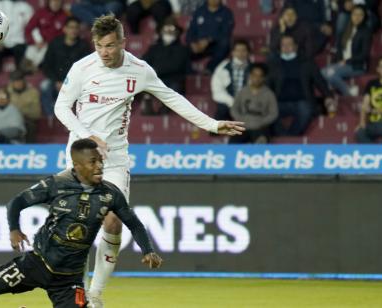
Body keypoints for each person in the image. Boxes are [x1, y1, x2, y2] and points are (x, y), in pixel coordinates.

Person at [54, 14, 244, 307]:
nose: (104, 52)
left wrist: (211, 124)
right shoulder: (82, 68)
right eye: (99, 46)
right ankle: (77, 294)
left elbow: (172, 97)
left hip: (114, 159)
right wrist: (86, 135)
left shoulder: (139, 70)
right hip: (79, 156)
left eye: (110, 46)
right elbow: (61, 108)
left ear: (122, 43)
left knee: (113, 220)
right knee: (77, 227)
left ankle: (95, 294)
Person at [0, 138, 163, 308]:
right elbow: (17, 202)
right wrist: (14, 229)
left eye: (100, 161)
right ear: (77, 165)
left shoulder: (110, 194)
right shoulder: (56, 185)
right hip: (36, 264)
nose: (100, 166)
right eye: (93, 162)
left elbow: (134, 223)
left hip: (69, 279)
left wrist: (148, 249)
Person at [267, 35, 334, 136]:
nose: (286, 47)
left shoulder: (307, 63)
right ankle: (285, 136)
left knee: (306, 110)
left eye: (289, 44)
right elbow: (267, 85)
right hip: (279, 102)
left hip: (302, 102)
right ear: (280, 47)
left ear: (295, 47)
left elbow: (320, 81)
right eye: (283, 45)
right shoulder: (273, 64)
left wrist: (328, 96)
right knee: (266, 111)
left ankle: (290, 137)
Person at [40, 16, 91, 116]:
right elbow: (46, 65)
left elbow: (87, 69)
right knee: (44, 86)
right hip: (56, 80)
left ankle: (78, 117)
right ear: (65, 29)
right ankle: (51, 118)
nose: (73, 30)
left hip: (76, 82)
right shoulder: (55, 43)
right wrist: (56, 81)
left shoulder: (83, 45)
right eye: (71, 27)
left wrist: (70, 83)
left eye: (76, 27)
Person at [141, 17, 190, 115]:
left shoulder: (182, 49)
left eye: (171, 29)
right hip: (154, 80)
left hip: (173, 80)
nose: (168, 32)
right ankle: (147, 106)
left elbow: (177, 67)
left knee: (173, 88)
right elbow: (143, 62)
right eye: (165, 29)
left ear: (177, 32)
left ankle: (164, 109)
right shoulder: (154, 48)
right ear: (161, 31)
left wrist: (156, 70)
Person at [321, 5, 371, 97]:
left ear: (364, 17)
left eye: (360, 15)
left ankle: (348, 92)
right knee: (322, 72)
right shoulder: (346, 29)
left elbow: (364, 54)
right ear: (351, 15)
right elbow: (339, 50)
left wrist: (346, 61)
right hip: (343, 63)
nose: (357, 17)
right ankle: (343, 90)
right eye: (355, 14)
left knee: (330, 75)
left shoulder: (366, 32)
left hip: (357, 65)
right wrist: (338, 62)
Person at [230, 64, 278, 144]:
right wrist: (241, 119)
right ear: (250, 76)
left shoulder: (269, 94)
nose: (257, 78)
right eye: (254, 75)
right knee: (232, 145)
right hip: (243, 126)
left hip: (261, 127)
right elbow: (234, 109)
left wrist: (262, 121)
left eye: (260, 76)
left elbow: (274, 113)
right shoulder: (242, 92)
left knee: (262, 141)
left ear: (264, 78)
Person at [185, 0, 234, 73]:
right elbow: (190, 31)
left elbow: (226, 32)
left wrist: (208, 40)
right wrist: (193, 43)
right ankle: (188, 71)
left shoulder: (226, 12)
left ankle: (209, 68)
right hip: (198, 45)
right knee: (182, 49)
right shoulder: (199, 11)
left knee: (225, 44)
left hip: (216, 45)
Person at [211, 40, 251, 122]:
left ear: (248, 52)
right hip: (228, 103)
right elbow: (217, 91)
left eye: (243, 50)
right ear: (233, 52)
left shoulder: (253, 69)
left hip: (247, 103)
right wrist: (232, 102)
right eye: (238, 50)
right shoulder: (223, 68)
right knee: (221, 111)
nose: (241, 53)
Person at [23, 0, 68, 70]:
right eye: (53, 1)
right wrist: (34, 42)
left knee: (46, 51)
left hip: (52, 45)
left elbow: (63, 35)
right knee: (29, 53)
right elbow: (29, 29)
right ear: (49, 2)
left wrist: (48, 43)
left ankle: (35, 67)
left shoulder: (64, 16)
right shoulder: (40, 12)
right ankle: (27, 65)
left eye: (58, 1)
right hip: (37, 41)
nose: (56, 3)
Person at [0, 0, 33, 74]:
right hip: (2, 41)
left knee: (21, 51)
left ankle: (20, 78)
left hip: (19, 41)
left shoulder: (26, 7)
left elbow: (31, 26)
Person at [7, 70, 42, 143]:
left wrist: (18, 112)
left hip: (27, 120)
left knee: (30, 126)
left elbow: (37, 112)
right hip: (9, 120)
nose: (18, 83)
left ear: (24, 81)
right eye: (15, 81)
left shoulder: (33, 92)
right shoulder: (6, 92)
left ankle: (29, 149)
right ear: (11, 82)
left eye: (20, 80)